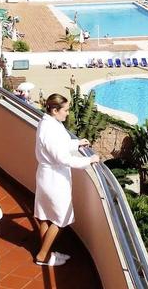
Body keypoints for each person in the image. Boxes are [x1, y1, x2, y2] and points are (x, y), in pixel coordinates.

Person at [34, 93, 100, 266]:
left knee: (44, 215)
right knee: (61, 219)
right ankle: (42, 256)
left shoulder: (49, 123)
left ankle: (47, 254)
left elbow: (57, 146)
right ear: (55, 110)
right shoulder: (51, 129)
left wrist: (76, 143)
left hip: (46, 176)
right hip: (54, 179)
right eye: (66, 110)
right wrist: (89, 160)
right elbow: (62, 158)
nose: (68, 113)